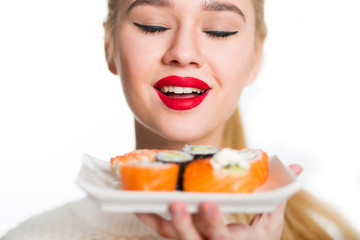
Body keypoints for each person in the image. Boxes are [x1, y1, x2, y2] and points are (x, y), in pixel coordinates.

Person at [2, 0, 359, 239]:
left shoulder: (327, 232)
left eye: (219, 30)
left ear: (254, 58)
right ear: (110, 47)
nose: (183, 53)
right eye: (152, 25)